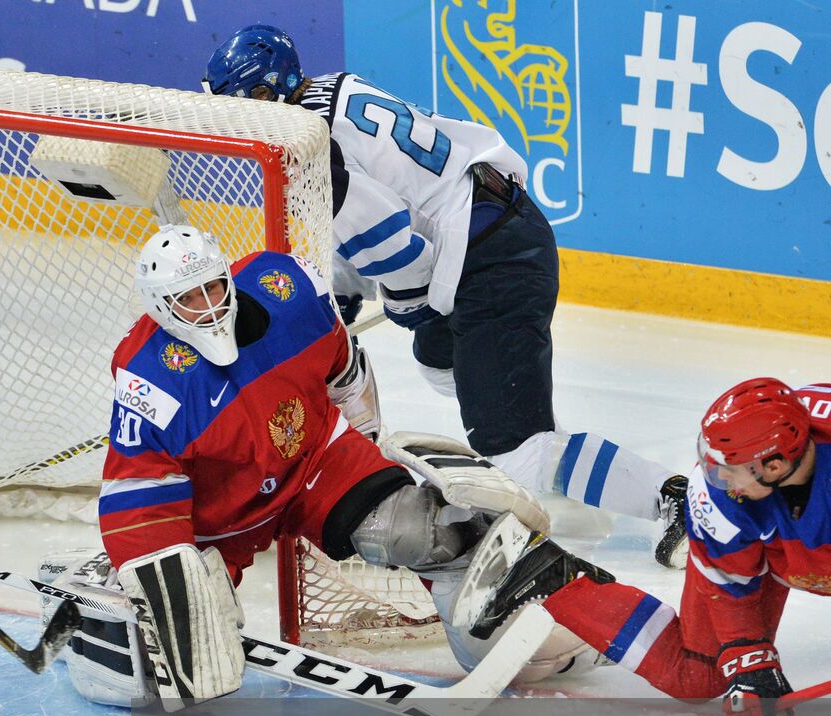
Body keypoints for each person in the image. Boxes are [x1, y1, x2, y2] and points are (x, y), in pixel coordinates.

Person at [202, 24, 689, 569]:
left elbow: (388, 242)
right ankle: (578, 458)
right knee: (440, 365)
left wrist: (393, 306)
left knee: (511, 447)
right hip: (481, 230)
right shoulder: (325, 95)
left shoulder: (313, 148)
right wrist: (338, 298)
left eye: (248, 103)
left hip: (492, 254)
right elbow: (367, 221)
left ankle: (671, 502)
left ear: (272, 90)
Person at [42, 225, 581, 708]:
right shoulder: (151, 380)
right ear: (161, 307)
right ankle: (92, 591)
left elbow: (345, 369)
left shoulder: (287, 290)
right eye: (188, 298)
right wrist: (162, 576)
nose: (207, 306)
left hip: (315, 462)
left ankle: (505, 628)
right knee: (160, 679)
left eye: (213, 287)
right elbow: (136, 496)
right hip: (217, 522)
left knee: (424, 531)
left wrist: (367, 446)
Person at [465, 379, 830, 716]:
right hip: (776, 532)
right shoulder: (721, 493)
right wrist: (752, 666)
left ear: (775, 466)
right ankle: (551, 577)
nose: (718, 480)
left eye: (729, 471)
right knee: (697, 675)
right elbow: (729, 586)